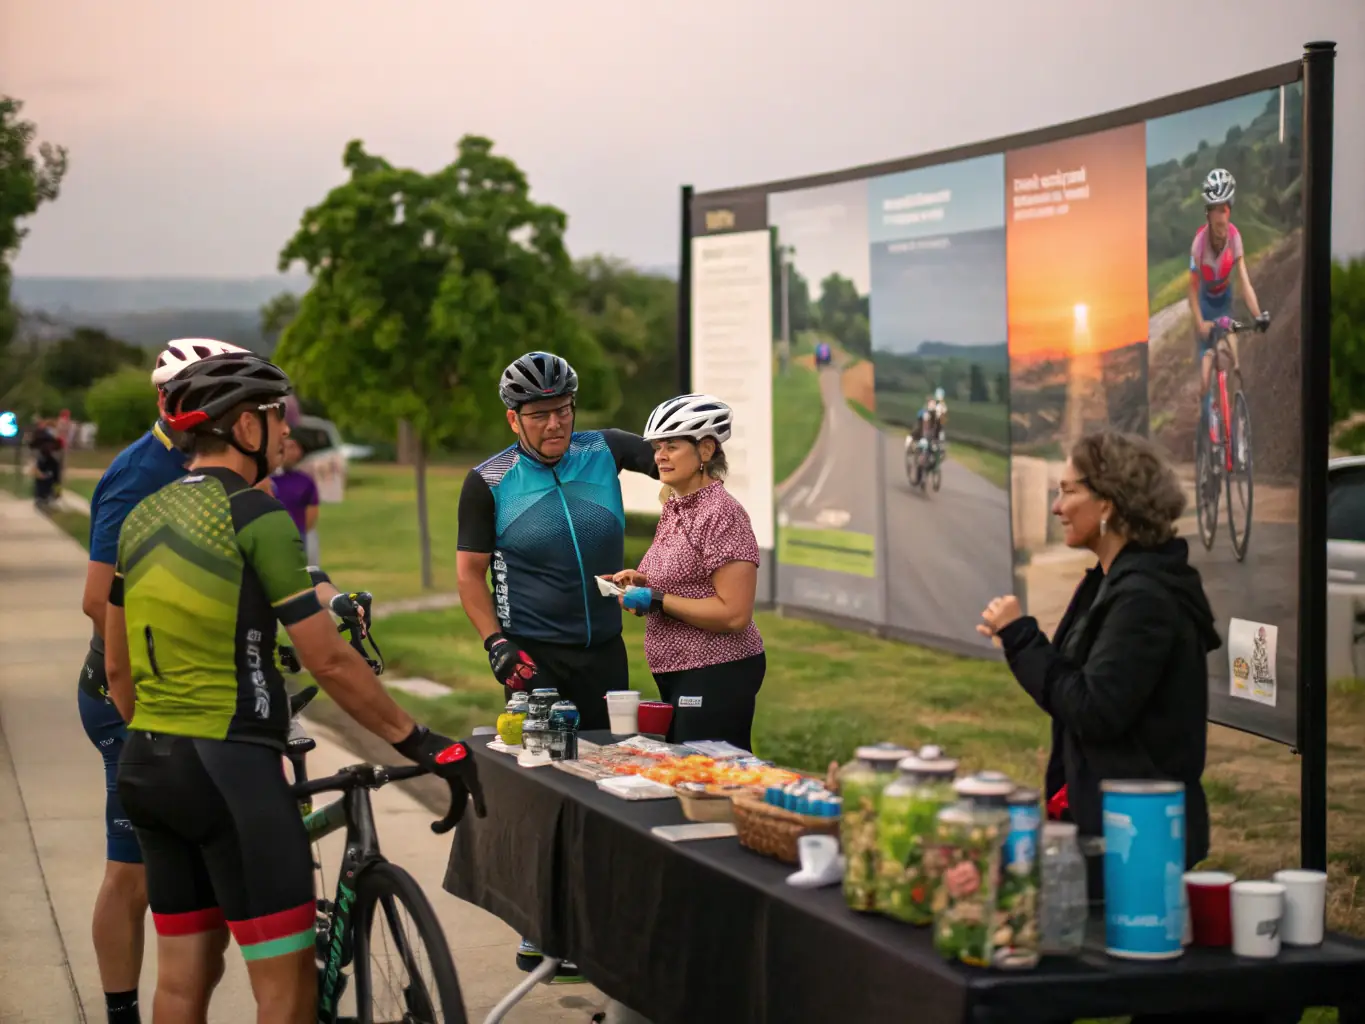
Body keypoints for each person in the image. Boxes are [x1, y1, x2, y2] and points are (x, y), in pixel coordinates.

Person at [104, 351, 483, 1024]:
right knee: (285, 992)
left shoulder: (141, 517)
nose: (287, 434)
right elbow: (331, 662)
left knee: (182, 981)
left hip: (149, 765)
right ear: (244, 427)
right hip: (231, 769)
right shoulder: (255, 514)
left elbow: (117, 671)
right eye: (277, 417)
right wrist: (418, 741)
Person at [454, 349, 657, 983]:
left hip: (604, 651)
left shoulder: (606, 449)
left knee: (604, 781)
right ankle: (536, 926)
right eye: (540, 415)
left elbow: (681, 460)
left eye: (563, 410)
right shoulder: (487, 481)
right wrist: (496, 644)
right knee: (545, 788)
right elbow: (468, 573)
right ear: (514, 419)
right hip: (533, 656)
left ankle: (592, 923)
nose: (555, 425)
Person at [76, 337, 248, 1024]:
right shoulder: (137, 473)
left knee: (198, 878)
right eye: (200, 394)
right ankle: (122, 1012)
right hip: (127, 694)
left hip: (195, 692)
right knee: (137, 873)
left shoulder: (223, 464)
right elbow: (97, 602)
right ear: (166, 400)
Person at [976, 431, 1219, 898]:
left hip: (1138, 837)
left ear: (1107, 503)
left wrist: (1021, 638)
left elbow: (1093, 707)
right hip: (1114, 824)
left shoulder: (1145, 598)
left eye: (1068, 491)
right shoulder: (1111, 583)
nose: (1056, 507)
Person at [612, 394, 765, 751]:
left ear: (706, 450)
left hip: (718, 670)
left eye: (672, 446)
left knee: (708, 778)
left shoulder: (721, 514)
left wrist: (658, 600)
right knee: (684, 776)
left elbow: (734, 614)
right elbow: (681, 582)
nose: (659, 456)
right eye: (657, 446)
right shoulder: (677, 507)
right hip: (679, 673)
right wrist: (638, 584)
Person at [1188, 168, 1268, 445]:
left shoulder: (1235, 237)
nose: (1220, 217)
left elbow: (1244, 281)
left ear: (1229, 210)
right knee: (1203, 379)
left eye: (1224, 209)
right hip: (1205, 306)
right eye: (1214, 210)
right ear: (1207, 213)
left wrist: (1259, 316)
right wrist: (1199, 321)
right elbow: (1192, 289)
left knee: (1234, 361)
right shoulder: (1199, 244)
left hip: (1224, 303)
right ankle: (1206, 436)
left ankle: (1234, 415)